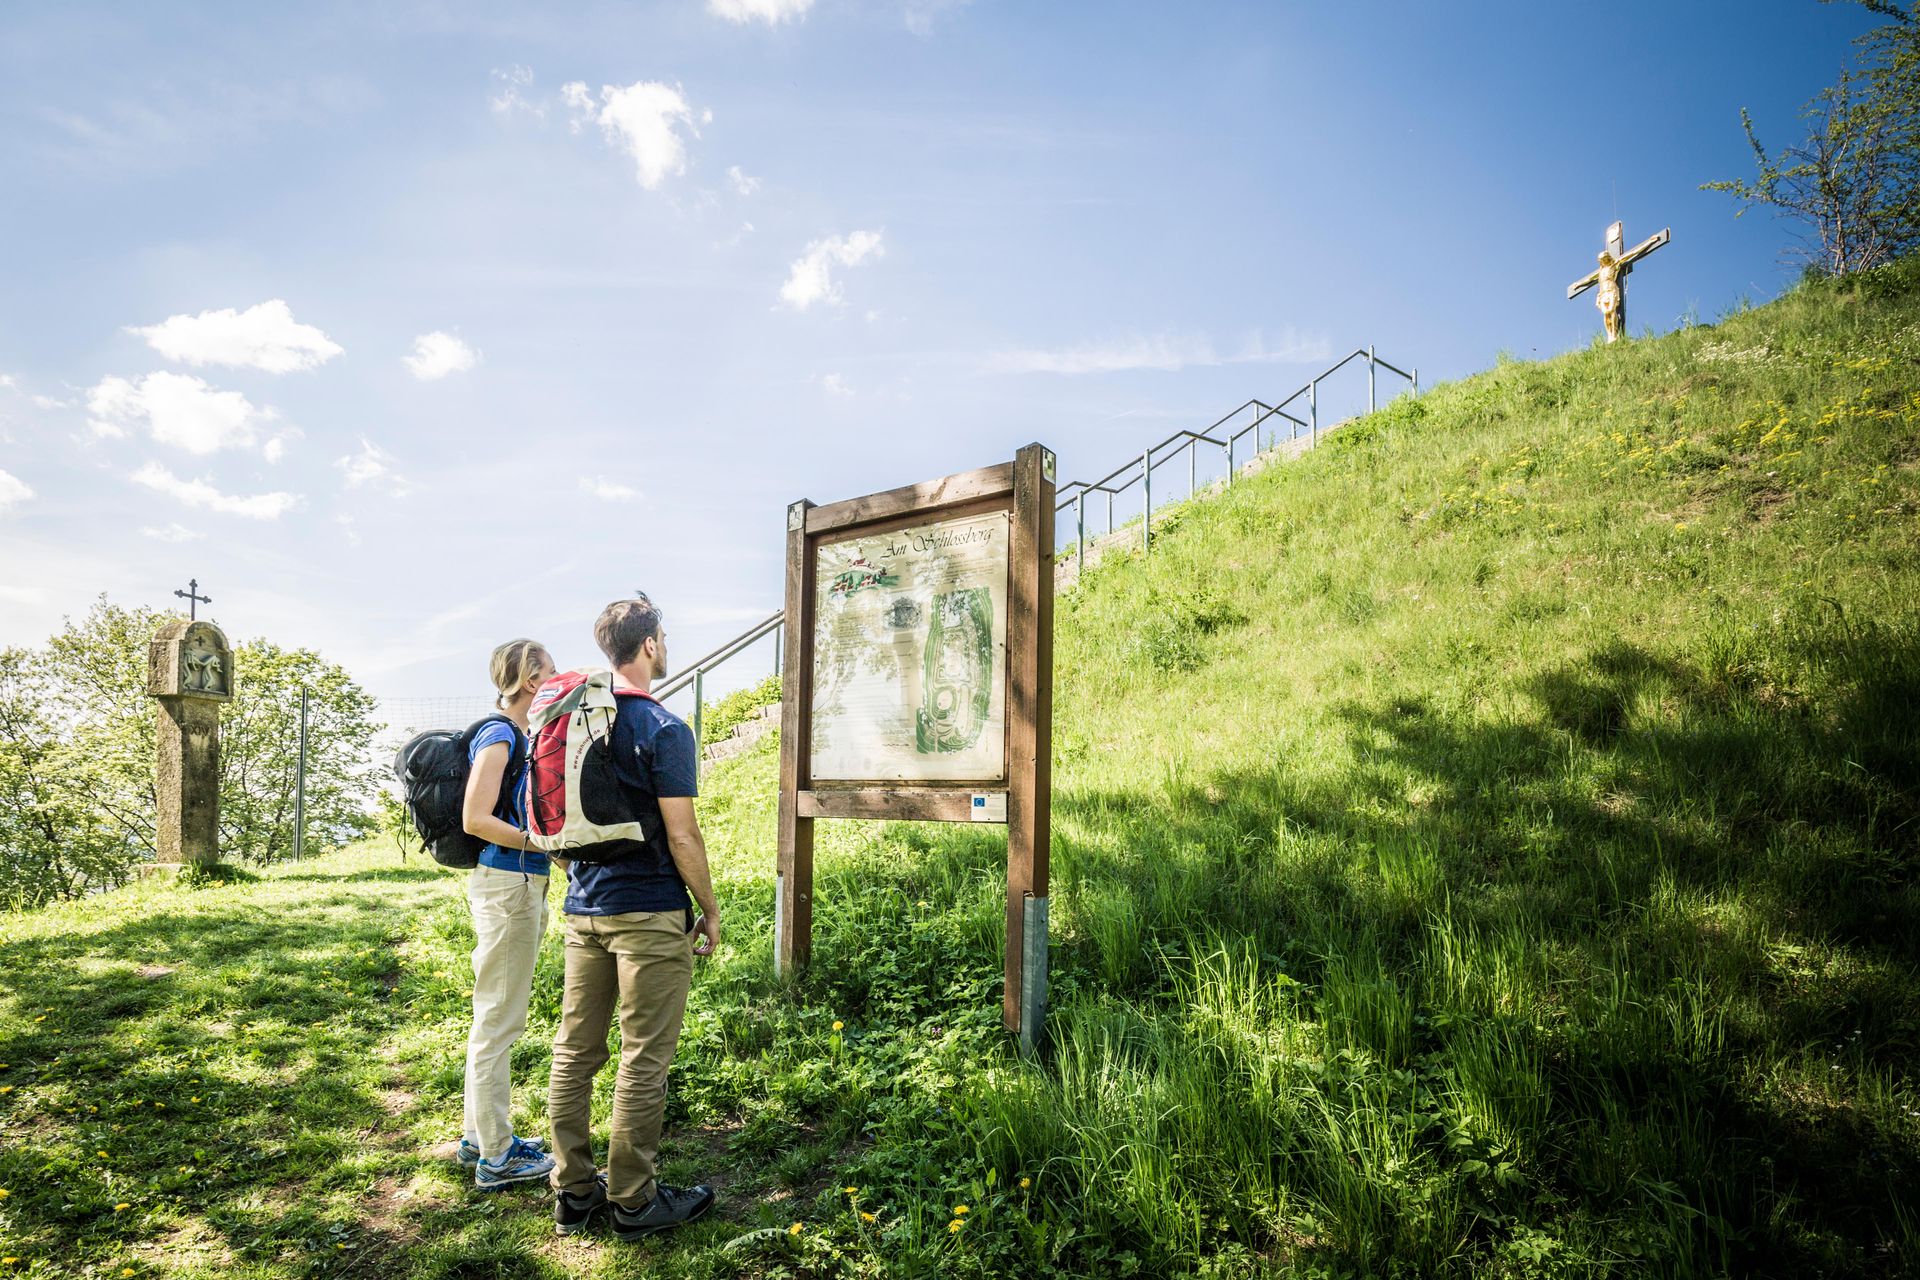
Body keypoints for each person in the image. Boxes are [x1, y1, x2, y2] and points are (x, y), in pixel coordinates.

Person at [549, 595, 721, 1240]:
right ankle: (633, 1201)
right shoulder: (662, 727)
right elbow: (682, 836)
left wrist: (586, 882)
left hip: (583, 910)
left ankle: (572, 1191)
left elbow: (551, 824)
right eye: (664, 638)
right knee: (644, 1057)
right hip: (648, 912)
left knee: (574, 1052)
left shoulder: (566, 723)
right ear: (649, 645)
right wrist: (707, 908)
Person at [456, 638, 559, 1190]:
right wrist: (538, 843)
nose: (559, 676)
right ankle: (497, 1157)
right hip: (509, 883)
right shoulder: (500, 734)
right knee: (498, 1019)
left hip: (516, 881)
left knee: (496, 1015)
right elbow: (476, 817)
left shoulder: (519, 735)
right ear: (528, 681)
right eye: (551, 669)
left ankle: (481, 1137)